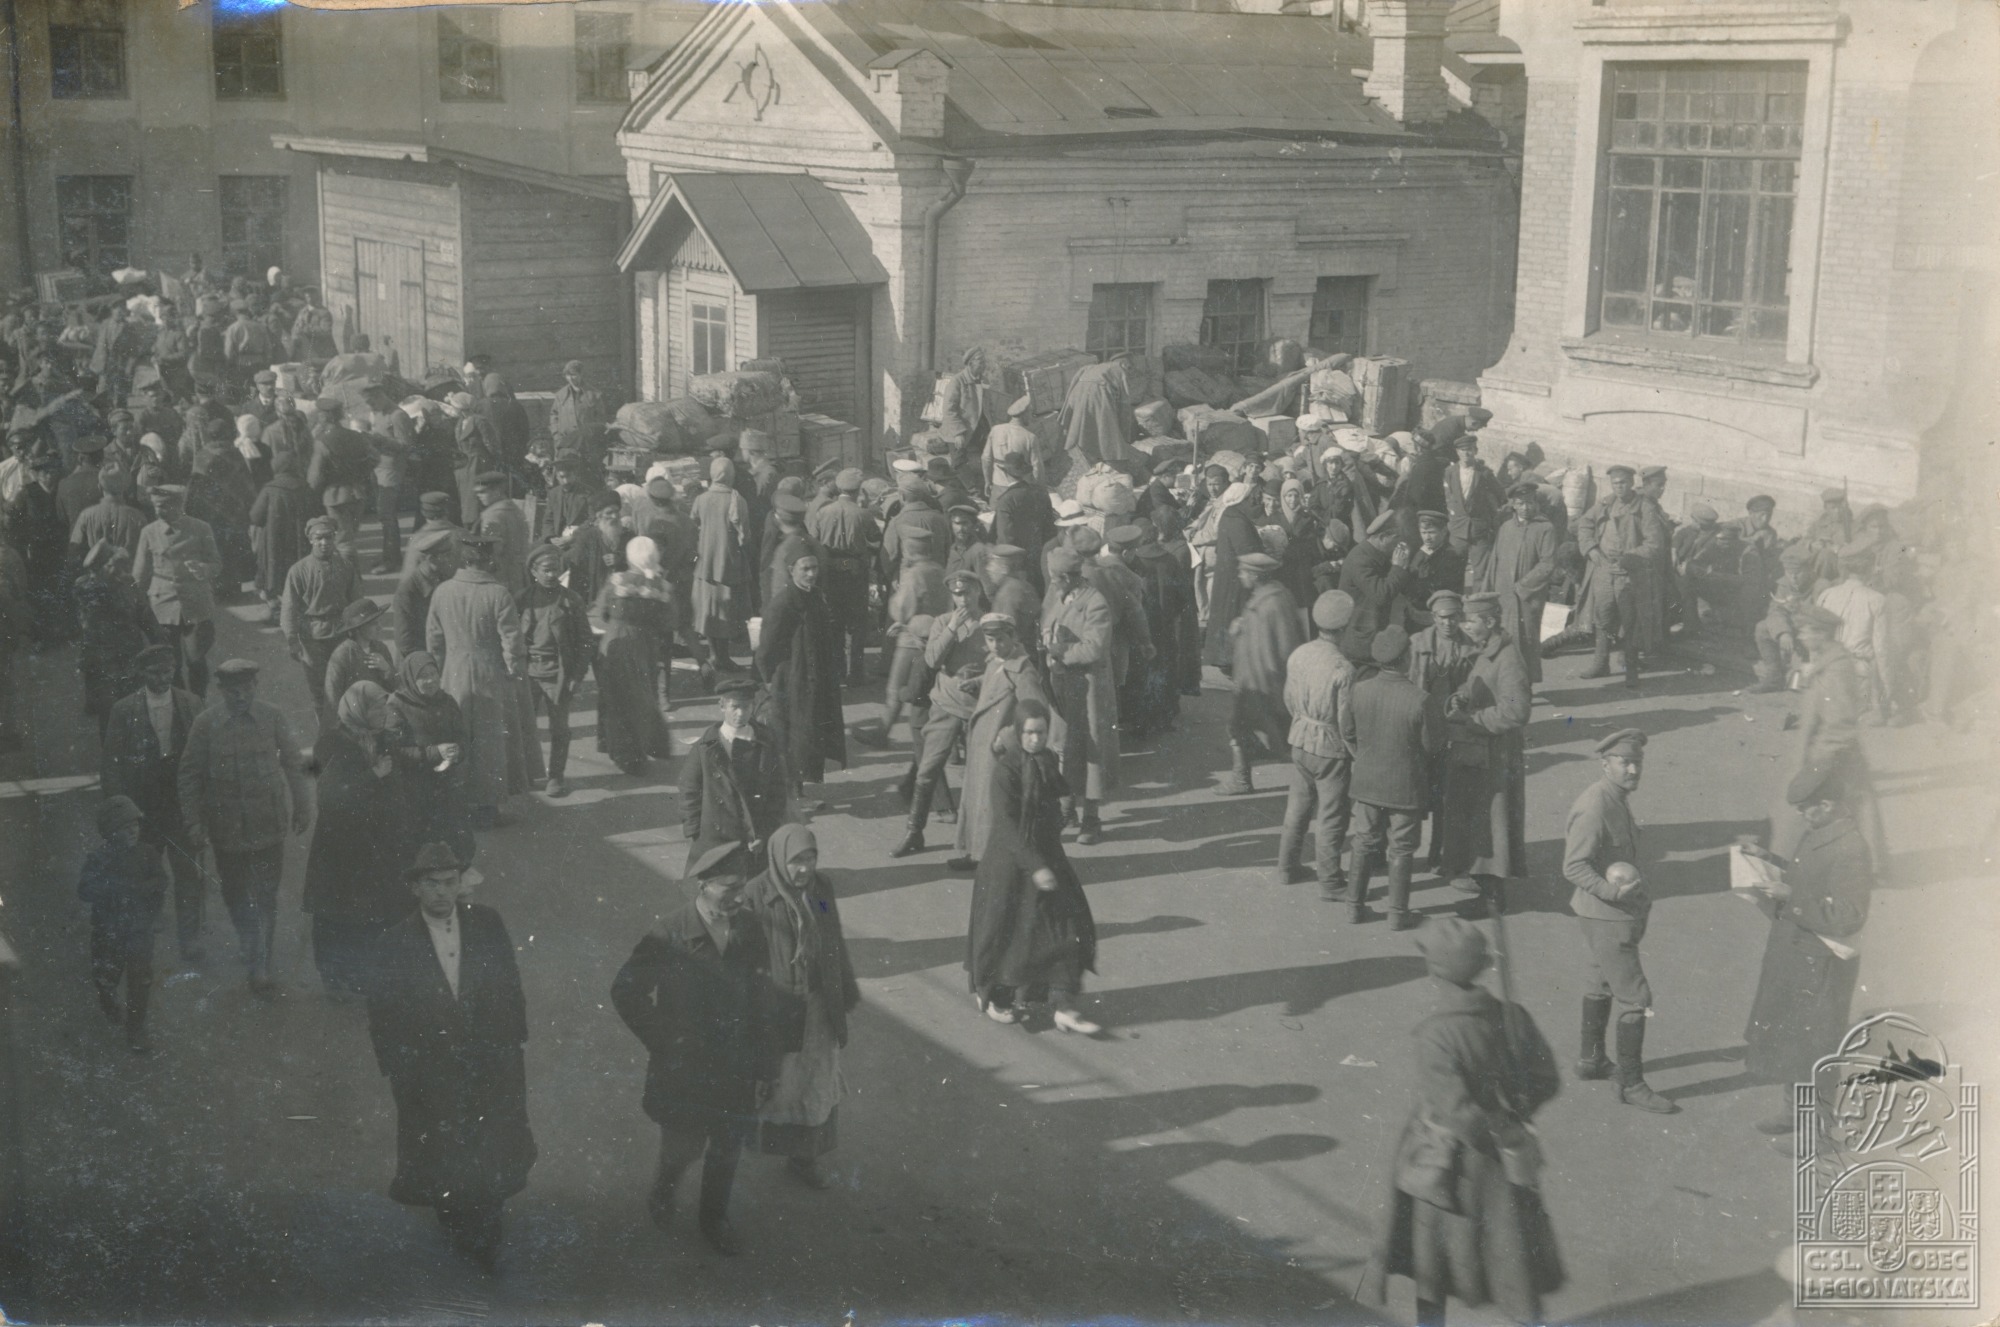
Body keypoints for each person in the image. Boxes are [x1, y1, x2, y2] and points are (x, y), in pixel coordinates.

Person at [1357, 918, 1564, 1327]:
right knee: (1512, 1259)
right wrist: (1515, 1116)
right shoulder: (1512, 1015)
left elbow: (1456, 1111)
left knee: (1431, 1263)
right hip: (1504, 1159)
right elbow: (1546, 1079)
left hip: (1447, 1165)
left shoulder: (1435, 1034)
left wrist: (1492, 1129)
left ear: (1434, 970)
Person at [367, 842, 536, 1271]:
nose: (442, 892)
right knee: (446, 1147)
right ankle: (455, 1212)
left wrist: (513, 1043)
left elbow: (509, 983)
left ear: (461, 884)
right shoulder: (394, 942)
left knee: (492, 1141)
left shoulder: (487, 923)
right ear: (414, 888)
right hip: (433, 1068)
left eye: (449, 882)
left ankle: (487, 1230)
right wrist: (399, 1073)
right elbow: (383, 1013)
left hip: (488, 1059)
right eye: (431, 883)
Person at [611, 839, 786, 1254]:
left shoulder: (749, 927)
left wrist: (768, 1067)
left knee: (727, 1148)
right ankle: (664, 1188)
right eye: (729, 888)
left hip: (736, 1067)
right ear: (703, 885)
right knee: (682, 1147)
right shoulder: (669, 933)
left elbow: (764, 1000)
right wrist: (666, 1041)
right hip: (685, 1069)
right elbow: (626, 991)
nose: (739, 897)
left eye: (742, 886)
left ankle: (714, 1218)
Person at [964, 700, 1101, 1032]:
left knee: (1066, 925)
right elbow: (1007, 827)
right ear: (1018, 731)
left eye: (1041, 732)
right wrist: (1036, 866)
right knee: (1007, 934)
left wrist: (1064, 802)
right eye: (1029, 733)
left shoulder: (1047, 760)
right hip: (1010, 865)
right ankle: (997, 997)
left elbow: (1058, 790)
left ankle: (1063, 1003)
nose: (1035, 739)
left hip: (1045, 855)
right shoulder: (1005, 771)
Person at [178, 658, 311, 996]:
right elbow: (189, 774)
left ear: (255, 686)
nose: (240, 697)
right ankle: (248, 941)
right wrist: (194, 822)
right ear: (221, 690)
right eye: (233, 691)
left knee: (265, 896)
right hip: (227, 830)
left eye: (247, 689)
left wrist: (303, 804)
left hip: (268, 825)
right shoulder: (206, 724)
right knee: (236, 894)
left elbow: (294, 763)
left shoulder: (272, 717)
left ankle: (259, 965)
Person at [743, 824, 860, 1189]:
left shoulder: (820, 889)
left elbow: (831, 934)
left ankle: (804, 1158)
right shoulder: (756, 895)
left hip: (818, 1007)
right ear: (778, 858)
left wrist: (845, 988)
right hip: (779, 1008)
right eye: (796, 861)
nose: (804, 868)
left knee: (815, 1082)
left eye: (811, 859)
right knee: (778, 1082)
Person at [1565, 728, 1675, 1113]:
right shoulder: (1595, 806)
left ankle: (1591, 1059)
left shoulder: (1615, 798)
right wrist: (1612, 893)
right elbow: (1573, 866)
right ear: (1605, 764)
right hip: (1607, 916)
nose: (1633, 770)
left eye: (1637, 762)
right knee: (1635, 998)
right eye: (1624, 762)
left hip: (1605, 914)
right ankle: (1631, 1084)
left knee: (1600, 981)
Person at [304, 681, 414, 997]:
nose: (385, 713)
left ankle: (359, 975)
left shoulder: (378, 738)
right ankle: (333, 978)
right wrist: (373, 775)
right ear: (359, 710)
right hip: (340, 846)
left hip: (373, 843)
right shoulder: (330, 743)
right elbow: (329, 797)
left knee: (367, 912)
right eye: (378, 707)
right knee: (335, 915)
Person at [102, 643, 205, 964]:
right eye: (154, 672)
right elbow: (111, 764)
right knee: (147, 866)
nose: (162, 678)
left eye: (167, 671)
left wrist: (204, 804)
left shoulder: (191, 703)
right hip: (144, 804)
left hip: (180, 801)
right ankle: (149, 921)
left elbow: (205, 756)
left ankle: (190, 939)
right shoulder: (123, 710)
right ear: (141, 673)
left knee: (188, 871)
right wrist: (121, 811)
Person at [425, 532, 533, 829]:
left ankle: (457, 804)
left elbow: (434, 640)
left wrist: (437, 674)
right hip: (489, 674)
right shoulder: (498, 593)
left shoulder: (442, 591)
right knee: (489, 742)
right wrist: (514, 672)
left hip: (453, 673)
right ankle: (487, 808)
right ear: (488, 560)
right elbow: (512, 641)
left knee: (457, 735)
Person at [1436, 594, 1531, 920]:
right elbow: (1475, 682)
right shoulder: (1487, 650)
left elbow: (1516, 711)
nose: (1464, 625)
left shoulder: (1509, 659)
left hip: (1496, 755)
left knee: (1492, 822)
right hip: (1479, 751)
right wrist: (1461, 696)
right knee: (1479, 820)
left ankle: (1493, 898)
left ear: (1489, 622)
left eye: (1470, 620)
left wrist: (1472, 720)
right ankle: (1482, 884)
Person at [1346, 626, 1445, 928]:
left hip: (1367, 783)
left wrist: (1365, 758)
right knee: (1401, 847)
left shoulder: (1359, 690)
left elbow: (1347, 732)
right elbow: (1433, 746)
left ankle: (1354, 907)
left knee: (1363, 841)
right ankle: (1397, 914)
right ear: (1405, 659)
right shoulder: (1420, 699)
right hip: (1405, 786)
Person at [892, 570, 990, 864]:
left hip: (978, 708)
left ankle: (976, 842)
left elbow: (1000, 661)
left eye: (967, 592)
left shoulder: (989, 623)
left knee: (979, 777)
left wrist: (980, 680)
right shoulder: (942, 622)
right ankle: (914, 831)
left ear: (978, 592)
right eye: (957, 594)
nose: (963, 599)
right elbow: (932, 660)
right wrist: (951, 629)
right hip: (945, 704)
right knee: (927, 769)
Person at [1279, 590, 1357, 898]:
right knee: (1331, 816)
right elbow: (1346, 722)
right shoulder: (1343, 669)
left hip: (1300, 738)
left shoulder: (1300, 653)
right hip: (1329, 748)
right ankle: (1330, 881)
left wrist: (1303, 721)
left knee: (1297, 809)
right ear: (1344, 628)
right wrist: (1355, 752)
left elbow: (1288, 698)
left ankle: (1287, 868)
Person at [78, 795, 170, 1054]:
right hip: (109, 931)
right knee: (106, 976)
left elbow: (161, 881)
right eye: (124, 827)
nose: (133, 831)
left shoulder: (148, 853)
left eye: (135, 825)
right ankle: (107, 999)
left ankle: (136, 1029)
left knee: (140, 980)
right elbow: (84, 889)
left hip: (139, 929)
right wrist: (113, 889)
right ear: (110, 833)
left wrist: (144, 890)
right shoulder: (100, 858)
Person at [1042, 548, 1118, 845]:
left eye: (1054, 578)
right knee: (1063, 747)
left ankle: (1092, 819)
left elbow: (1094, 648)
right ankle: (1066, 810)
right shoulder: (1060, 595)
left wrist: (1058, 651)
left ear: (1067, 577)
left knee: (1091, 751)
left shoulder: (1095, 603)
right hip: (1062, 686)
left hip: (1089, 689)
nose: (1051, 582)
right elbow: (1049, 625)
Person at [680, 678, 789, 873]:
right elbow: (689, 788)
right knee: (718, 883)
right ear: (722, 706)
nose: (740, 713)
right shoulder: (707, 745)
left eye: (746, 707)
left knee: (753, 882)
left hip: (754, 834)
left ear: (753, 706)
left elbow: (777, 790)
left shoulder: (764, 742)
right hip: (715, 837)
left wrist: (765, 832)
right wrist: (693, 829)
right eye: (735, 707)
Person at [1573, 464, 1666, 686]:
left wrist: (1628, 559)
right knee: (1603, 617)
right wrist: (1591, 549)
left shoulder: (1644, 507)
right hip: (1604, 570)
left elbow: (1654, 544)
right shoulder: (1605, 503)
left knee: (1630, 621)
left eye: (1623, 482)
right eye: (1615, 483)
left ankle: (1630, 671)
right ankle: (1600, 663)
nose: (1619, 487)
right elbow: (1584, 524)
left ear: (1632, 483)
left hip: (1630, 573)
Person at [1221, 550, 1303, 796]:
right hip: (1255, 680)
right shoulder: (1270, 597)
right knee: (1244, 728)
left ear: (1255, 576)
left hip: (1264, 682)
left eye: (1243, 572)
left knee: (1266, 733)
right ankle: (1241, 778)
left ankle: (1243, 780)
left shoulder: (1271, 604)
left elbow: (1287, 646)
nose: (1240, 575)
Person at [594, 534, 677, 777]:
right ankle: (641, 748)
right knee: (642, 695)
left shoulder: (617, 581)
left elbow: (601, 612)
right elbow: (670, 621)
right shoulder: (662, 587)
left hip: (616, 641)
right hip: (645, 645)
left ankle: (619, 749)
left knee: (614, 696)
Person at [518, 544, 592, 798]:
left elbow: (585, 642)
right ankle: (526, 773)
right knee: (524, 728)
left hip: (558, 675)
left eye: (556, 569)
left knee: (559, 729)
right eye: (546, 570)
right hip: (528, 672)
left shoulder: (571, 601)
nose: (551, 575)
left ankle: (556, 777)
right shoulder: (522, 600)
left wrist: (577, 676)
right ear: (533, 571)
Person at [281, 516, 364, 729]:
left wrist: (359, 633)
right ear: (310, 540)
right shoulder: (298, 570)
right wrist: (292, 639)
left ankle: (347, 730)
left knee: (345, 684)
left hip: (341, 634)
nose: (324, 543)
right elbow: (289, 608)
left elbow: (357, 602)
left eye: (328, 537)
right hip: (313, 638)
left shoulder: (346, 566)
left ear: (334, 538)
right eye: (318, 538)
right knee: (320, 691)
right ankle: (326, 734)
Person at [384, 650, 468, 852]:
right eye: (423, 676)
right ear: (411, 679)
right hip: (413, 788)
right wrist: (435, 753)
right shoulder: (397, 704)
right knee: (418, 846)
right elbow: (394, 751)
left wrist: (458, 751)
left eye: (433, 674)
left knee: (454, 846)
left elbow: (462, 736)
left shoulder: (447, 701)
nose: (431, 680)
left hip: (446, 786)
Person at [74, 541, 155, 738]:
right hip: (104, 660)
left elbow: (144, 613)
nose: (119, 571)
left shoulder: (128, 582)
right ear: (101, 567)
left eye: (121, 566)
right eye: (112, 565)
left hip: (132, 654)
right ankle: (111, 751)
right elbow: (92, 621)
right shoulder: (85, 586)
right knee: (110, 711)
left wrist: (159, 639)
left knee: (136, 705)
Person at [1486, 481, 1557, 686]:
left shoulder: (1545, 528)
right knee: (1503, 640)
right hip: (1504, 596)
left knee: (1527, 640)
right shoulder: (1506, 527)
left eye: (1530, 502)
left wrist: (1522, 586)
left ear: (1536, 504)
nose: (1525, 508)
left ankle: (1525, 686)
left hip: (1528, 597)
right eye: (1520, 503)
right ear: (1513, 505)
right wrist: (1488, 591)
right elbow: (1494, 560)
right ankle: (1507, 685)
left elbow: (1548, 563)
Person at [1816, 545, 1892, 725]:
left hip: (1827, 675)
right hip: (1857, 676)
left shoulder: (1826, 595)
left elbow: (1816, 640)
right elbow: (1881, 650)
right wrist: (1888, 691)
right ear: (1870, 568)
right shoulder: (1877, 600)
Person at [690, 455, 751, 675]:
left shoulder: (701, 499)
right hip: (729, 564)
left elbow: (694, 524)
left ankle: (715, 655)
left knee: (709, 610)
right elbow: (746, 535)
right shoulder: (737, 500)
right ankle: (723, 658)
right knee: (727, 612)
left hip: (705, 564)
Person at [1199, 480, 1264, 667]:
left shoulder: (1229, 515)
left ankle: (1223, 657)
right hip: (1236, 578)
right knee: (1232, 615)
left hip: (1227, 575)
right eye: (1249, 498)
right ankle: (1228, 658)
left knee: (1225, 615)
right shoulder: (1237, 520)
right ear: (1240, 500)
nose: (1252, 501)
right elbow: (1246, 551)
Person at [8, 451, 70, 644]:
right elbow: (14, 524)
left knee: (58, 587)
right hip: (36, 551)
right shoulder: (27, 493)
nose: (49, 476)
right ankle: (43, 634)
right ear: (36, 474)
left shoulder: (60, 490)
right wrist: (22, 546)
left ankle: (60, 631)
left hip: (58, 548)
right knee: (39, 590)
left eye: (52, 472)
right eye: (44, 472)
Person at [306, 398, 374, 564]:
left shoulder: (322, 441)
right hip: (358, 492)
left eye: (320, 414)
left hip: (335, 495)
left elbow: (315, 476)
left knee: (342, 540)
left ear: (325, 417)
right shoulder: (356, 436)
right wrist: (360, 473)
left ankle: (349, 574)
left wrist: (309, 492)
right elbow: (374, 458)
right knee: (351, 536)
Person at [248, 451, 312, 618]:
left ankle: (275, 607)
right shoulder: (305, 487)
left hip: (274, 542)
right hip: (300, 541)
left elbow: (255, 517)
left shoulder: (270, 489)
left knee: (273, 572)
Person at [1442, 432, 1503, 589]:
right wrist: (1452, 514)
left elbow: (1500, 495)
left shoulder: (1484, 473)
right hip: (1457, 528)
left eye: (1469, 449)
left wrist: (1490, 514)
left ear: (1475, 451)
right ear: (1457, 452)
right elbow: (1448, 495)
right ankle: (1454, 599)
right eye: (1462, 450)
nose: (1466, 453)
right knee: (1454, 568)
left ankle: (1478, 601)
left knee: (1481, 571)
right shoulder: (1450, 472)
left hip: (1479, 529)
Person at [991, 453, 1055, 593]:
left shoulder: (1006, 500)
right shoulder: (1042, 494)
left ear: (1006, 474)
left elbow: (1005, 538)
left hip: (1018, 564)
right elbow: (1050, 529)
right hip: (1041, 559)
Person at [322, 598, 394, 714]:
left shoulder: (381, 648)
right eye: (374, 624)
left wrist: (387, 669)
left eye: (379, 622)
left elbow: (394, 688)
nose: (380, 628)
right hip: (353, 716)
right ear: (358, 628)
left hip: (380, 713)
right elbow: (332, 699)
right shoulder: (342, 655)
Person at [394, 527, 457, 661]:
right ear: (431, 558)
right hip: (420, 663)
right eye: (446, 555)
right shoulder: (407, 591)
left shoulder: (444, 579)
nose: (449, 559)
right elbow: (405, 642)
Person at [473, 470, 531, 597]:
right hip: (520, 576)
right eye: (477, 493)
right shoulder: (515, 510)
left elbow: (491, 551)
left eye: (483, 492)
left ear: (497, 490)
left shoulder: (493, 515)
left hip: (501, 578)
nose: (479, 496)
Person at [983, 393, 1042, 496]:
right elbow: (1037, 468)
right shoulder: (1030, 437)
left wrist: (987, 481)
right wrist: (1037, 489)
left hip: (998, 486)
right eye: (1030, 413)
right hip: (1020, 489)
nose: (1031, 417)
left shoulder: (995, 430)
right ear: (1024, 415)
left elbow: (986, 458)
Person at [549, 359, 607, 462]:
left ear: (581, 374)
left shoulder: (594, 395)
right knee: (562, 469)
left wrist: (590, 433)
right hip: (565, 444)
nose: (570, 378)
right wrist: (556, 435)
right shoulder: (560, 395)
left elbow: (601, 419)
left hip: (587, 445)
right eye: (567, 375)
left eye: (574, 375)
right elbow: (554, 415)